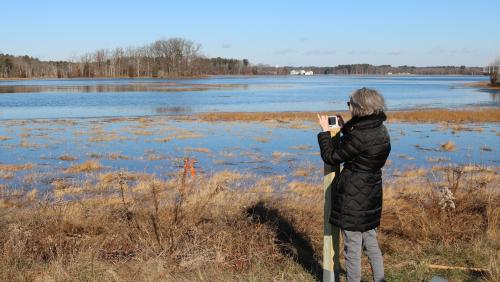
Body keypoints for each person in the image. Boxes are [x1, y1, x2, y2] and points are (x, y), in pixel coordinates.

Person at [317, 87, 391, 282]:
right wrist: (345, 128)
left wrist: (325, 134)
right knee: (371, 242)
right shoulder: (380, 130)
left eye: (350, 103)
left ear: (360, 108)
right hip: (372, 194)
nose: (348, 106)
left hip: (352, 198)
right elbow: (358, 147)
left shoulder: (359, 135)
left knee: (352, 248)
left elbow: (332, 157)